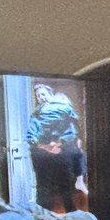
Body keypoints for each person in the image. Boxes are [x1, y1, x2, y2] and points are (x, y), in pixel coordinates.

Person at [27, 83, 87, 213]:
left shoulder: (64, 110)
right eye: (38, 96)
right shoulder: (36, 115)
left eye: (43, 94)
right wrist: (47, 147)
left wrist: (58, 144)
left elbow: (73, 131)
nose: (41, 97)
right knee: (43, 188)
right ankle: (43, 219)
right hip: (43, 156)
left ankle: (71, 217)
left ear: (50, 94)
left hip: (63, 154)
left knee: (66, 187)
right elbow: (31, 136)